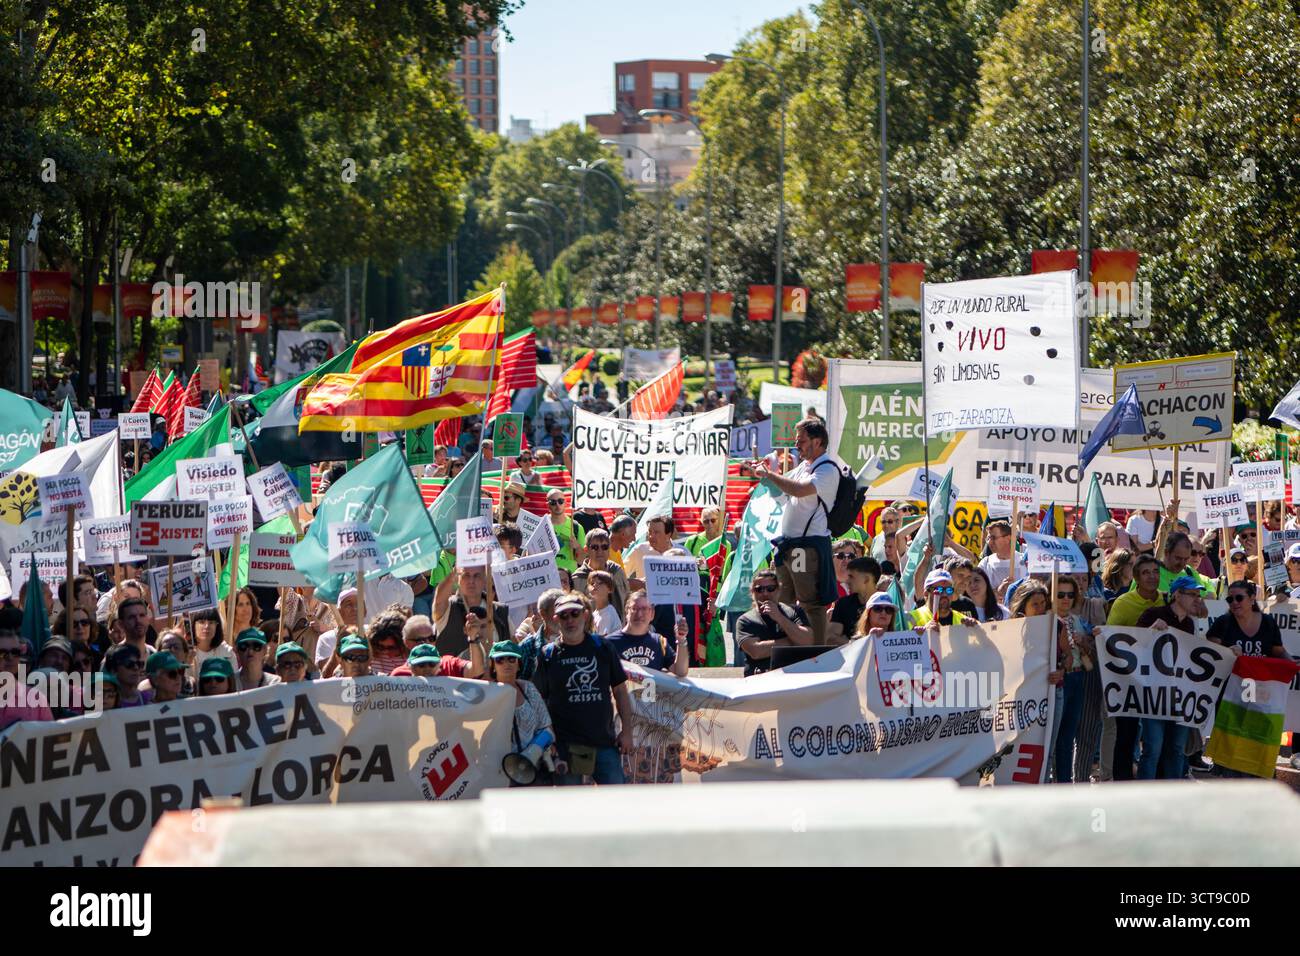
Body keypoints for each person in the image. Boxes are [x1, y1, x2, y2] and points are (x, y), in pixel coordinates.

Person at [753, 418, 841, 643]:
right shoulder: (805, 466)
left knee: (811, 602)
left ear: (818, 441)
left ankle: (816, 650)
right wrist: (765, 477)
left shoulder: (827, 470)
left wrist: (770, 475)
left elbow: (800, 490)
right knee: (784, 602)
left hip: (806, 546)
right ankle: (791, 647)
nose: (797, 446)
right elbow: (782, 494)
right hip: (791, 546)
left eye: (801, 441)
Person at [532, 592, 634, 785]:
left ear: (585, 615)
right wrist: (549, 739)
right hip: (565, 747)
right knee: (570, 809)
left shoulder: (603, 648)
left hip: (604, 743)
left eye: (574, 614)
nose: (570, 620)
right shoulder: (547, 655)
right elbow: (539, 701)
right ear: (556, 619)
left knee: (618, 804)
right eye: (564, 615)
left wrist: (627, 731)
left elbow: (620, 691)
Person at [1126, 576, 1206, 780]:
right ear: (1177, 594)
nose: (1197, 599)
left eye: (1198, 595)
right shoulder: (1154, 614)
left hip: (1180, 696)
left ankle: (1172, 797)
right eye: (1192, 595)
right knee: (1152, 748)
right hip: (1154, 695)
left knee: (1177, 749)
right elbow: (1132, 645)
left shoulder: (1189, 624)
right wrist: (1151, 629)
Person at [488, 641, 561, 785]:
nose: (506, 663)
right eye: (500, 660)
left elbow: (547, 728)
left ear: (519, 664)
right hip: (499, 772)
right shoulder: (486, 693)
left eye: (511, 659)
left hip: (533, 770)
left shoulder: (528, 688)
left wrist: (537, 748)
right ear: (493, 666)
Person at [1048, 576, 1094, 784]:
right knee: (1053, 737)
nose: (1065, 599)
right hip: (1059, 680)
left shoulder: (1077, 620)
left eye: (1070, 594)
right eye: (1060, 594)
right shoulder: (1047, 620)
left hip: (1078, 676)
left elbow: (1090, 653)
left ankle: (1064, 783)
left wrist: (1084, 642)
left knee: (1068, 737)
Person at [735, 569, 814, 676]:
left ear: (778, 590)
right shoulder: (745, 620)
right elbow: (756, 651)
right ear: (752, 592)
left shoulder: (794, 611)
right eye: (759, 589)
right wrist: (794, 642)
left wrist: (779, 617)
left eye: (770, 588)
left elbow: (808, 641)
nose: (765, 593)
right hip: (760, 678)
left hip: (792, 677)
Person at [432, 565, 511, 657]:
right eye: (466, 575)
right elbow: (439, 601)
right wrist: (453, 574)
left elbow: (513, 645)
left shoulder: (499, 610)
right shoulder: (449, 608)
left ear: (485, 580)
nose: (471, 581)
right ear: (458, 579)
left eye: (477, 576)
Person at [606, 591, 689, 677]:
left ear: (652, 614)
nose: (639, 614)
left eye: (644, 609)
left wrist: (681, 639)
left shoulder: (659, 642)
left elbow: (680, 671)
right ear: (627, 612)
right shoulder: (609, 643)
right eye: (634, 608)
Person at [1208, 580, 1287, 657]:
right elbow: (1211, 652)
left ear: (1252, 599)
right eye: (1230, 599)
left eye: (1239, 598)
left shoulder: (1268, 622)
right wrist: (1227, 652)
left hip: (1261, 670)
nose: (1234, 602)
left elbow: (1279, 652)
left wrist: (1293, 663)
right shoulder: (1222, 622)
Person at [570, 529, 629, 618]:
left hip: (618, 629)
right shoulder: (578, 578)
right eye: (595, 547)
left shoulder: (617, 571)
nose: (600, 551)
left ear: (609, 549)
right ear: (586, 549)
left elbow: (627, 601)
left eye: (604, 547)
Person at [0, 629, 52, 729]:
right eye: (2, 653)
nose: (10, 657)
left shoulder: (36, 698)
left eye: (15, 652)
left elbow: (49, 739)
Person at [827, 556, 881, 644]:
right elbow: (831, 638)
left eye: (851, 577)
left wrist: (845, 641)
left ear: (866, 579)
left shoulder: (886, 605)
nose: (847, 581)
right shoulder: (842, 604)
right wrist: (857, 645)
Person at [1106, 554, 1164, 627]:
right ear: (1136, 578)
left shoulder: (1167, 599)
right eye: (1146, 572)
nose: (1152, 576)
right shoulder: (1123, 603)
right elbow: (1110, 633)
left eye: (1155, 572)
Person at [977, 520, 1026, 594]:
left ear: (1008, 539)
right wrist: (997, 592)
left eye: (993, 538)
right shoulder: (985, 564)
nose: (989, 542)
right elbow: (978, 592)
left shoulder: (1024, 562)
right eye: (988, 538)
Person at [545, 489, 586, 574]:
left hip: (570, 577)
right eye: (553, 502)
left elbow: (581, 561)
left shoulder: (576, 527)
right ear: (548, 505)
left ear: (565, 503)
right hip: (548, 576)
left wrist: (577, 547)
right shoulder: (542, 525)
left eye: (560, 501)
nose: (557, 505)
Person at [623, 514, 674, 582]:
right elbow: (621, 575)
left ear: (668, 535)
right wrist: (636, 584)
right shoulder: (640, 550)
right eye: (649, 532)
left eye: (656, 532)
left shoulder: (683, 553)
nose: (651, 536)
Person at [104, 643, 151, 707]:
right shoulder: (105, 704)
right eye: (129, 664)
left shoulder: (148, 699)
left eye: (139, 664)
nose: (136, 668)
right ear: (113, 670)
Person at [366, 609, 409, 675]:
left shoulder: (410, 658)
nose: (386, 652)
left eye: (392, 648)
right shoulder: (371, 652)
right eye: (381, 647)